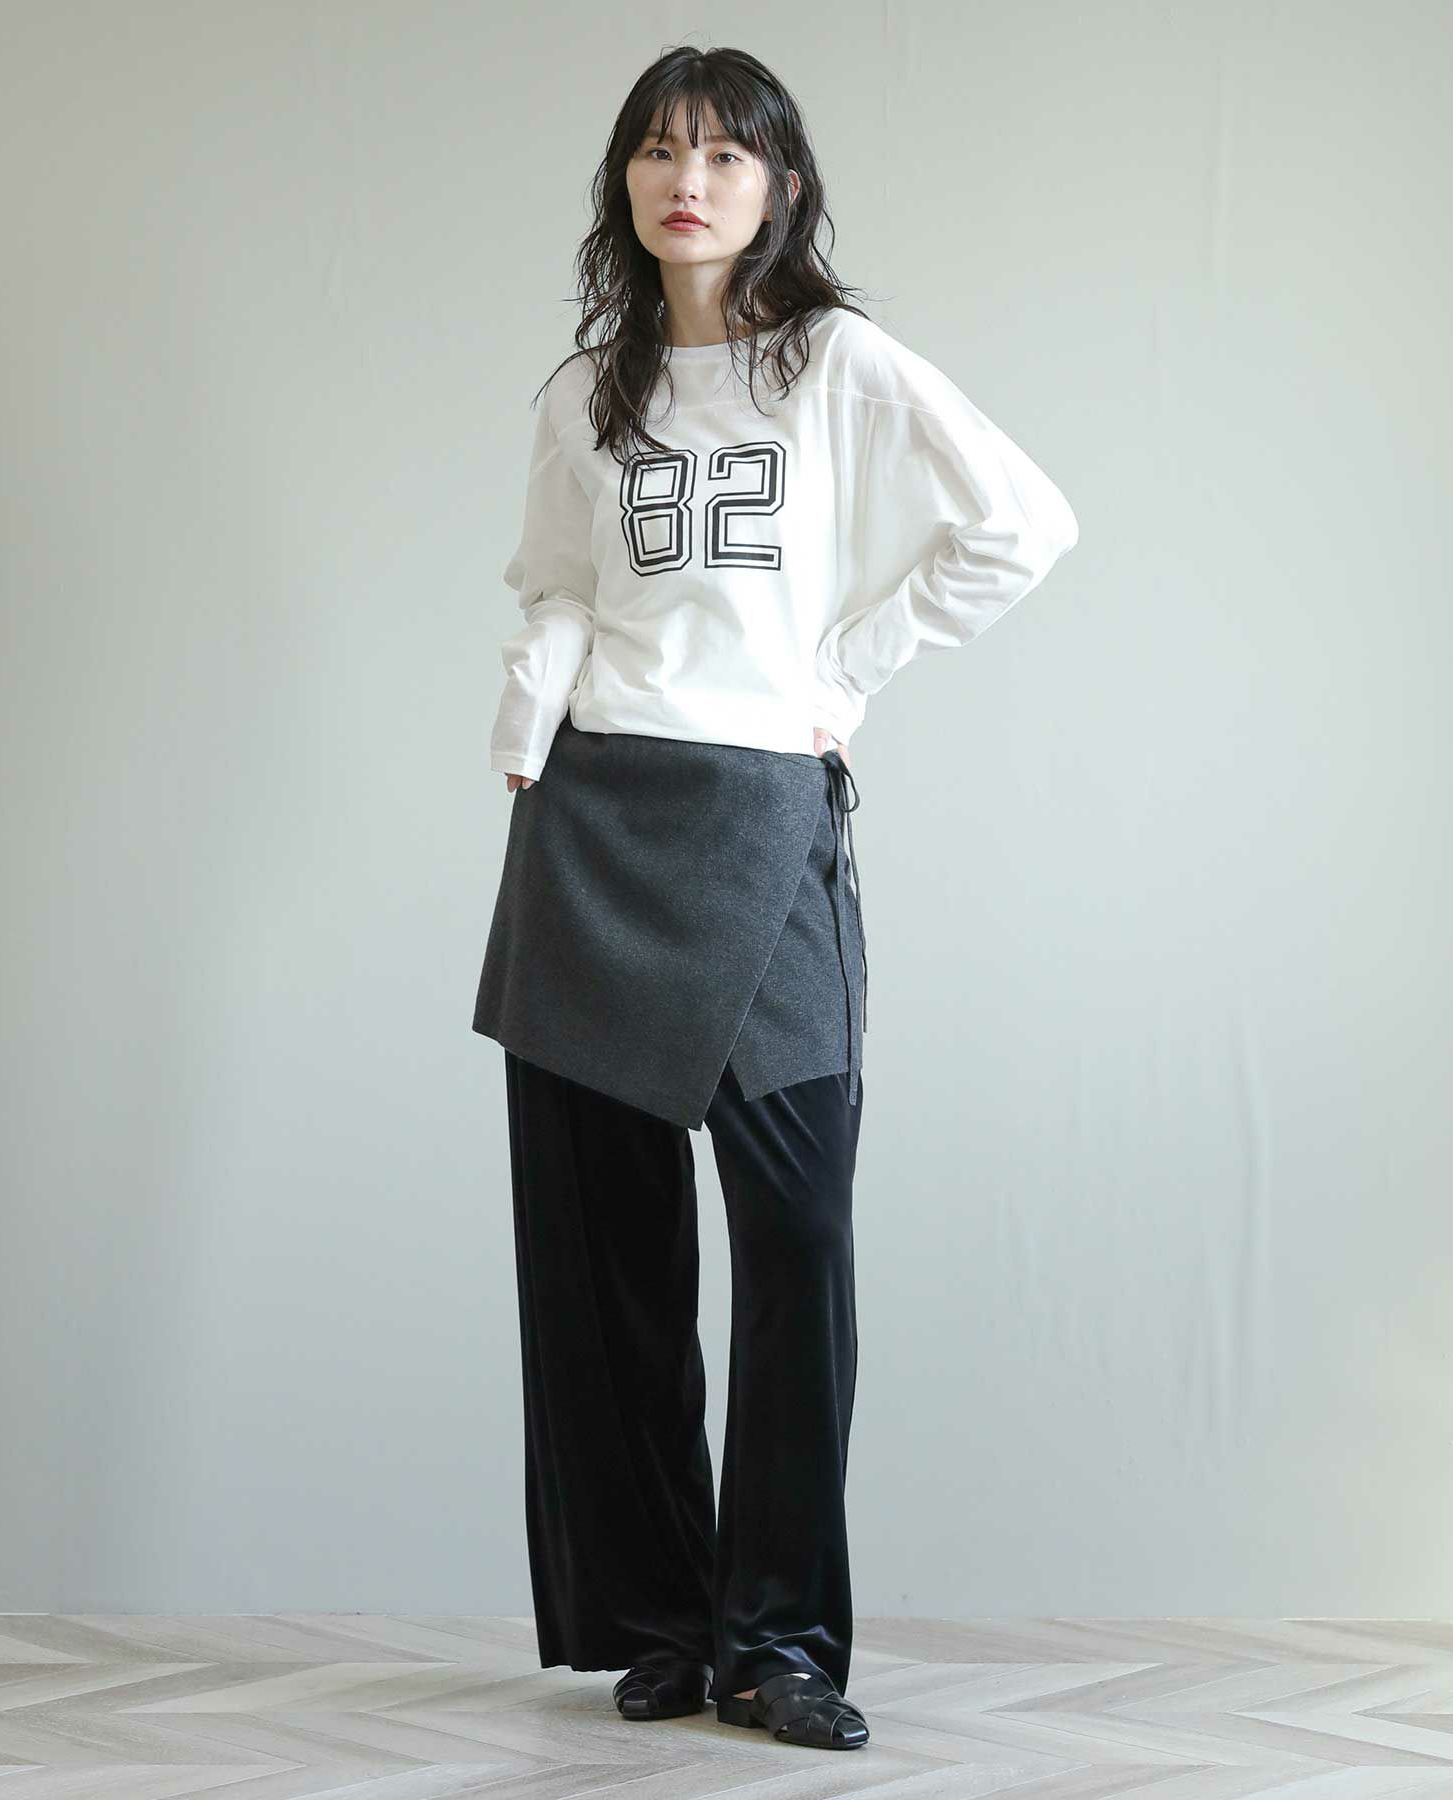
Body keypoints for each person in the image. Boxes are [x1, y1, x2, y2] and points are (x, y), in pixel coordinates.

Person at [472, 44, 1079, 1754]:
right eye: (660, 154)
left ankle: (783, 1644)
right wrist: (528, 707)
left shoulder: (836, 363)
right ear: (625, 183)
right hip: (595, 822)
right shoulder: (585, 393)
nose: (690, 182)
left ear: (780, 187)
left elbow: (1019, 523)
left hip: (760, 817)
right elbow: (556, 587)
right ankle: (665, 1627)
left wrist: (847, 672)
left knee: (797, 1236)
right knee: (606, 1256)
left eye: (725, 156)